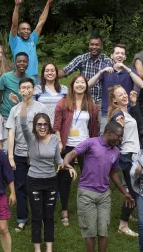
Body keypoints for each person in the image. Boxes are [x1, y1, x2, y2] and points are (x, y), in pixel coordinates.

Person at [61, 121, 135, 252]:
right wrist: (67, 163)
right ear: (109, 133)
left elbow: (113, 173)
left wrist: (125, 192)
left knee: (103, 231)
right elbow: (72, 153)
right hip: (86, 194)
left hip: (104, 195)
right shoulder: (91, 142)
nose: (120, 139)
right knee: (90, 232)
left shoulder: (116, 152)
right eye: (119, 135)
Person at [20, 89, 63, 252]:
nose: (42, 127)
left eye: (45, 124)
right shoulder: (31, 138)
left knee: (49, 216)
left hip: (51, 181)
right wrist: (24, 102)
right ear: (35, 126)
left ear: (49, 126)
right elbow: (23, 122)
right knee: (37, 216)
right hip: (34, 181)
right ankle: (37, 248)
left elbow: (58, 159)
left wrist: (67, 164)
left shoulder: (53, 139)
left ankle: (49, 248)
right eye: (39, 124)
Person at [53, 75, 99, 226]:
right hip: (67, 146)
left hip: (85, 146)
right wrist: (59, 142)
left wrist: (94, 145)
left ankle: (87, 209)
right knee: (65, 179)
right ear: (72, 85)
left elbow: (94, 128)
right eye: (77, 82)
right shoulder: (63, 102)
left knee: (88, 178)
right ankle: (64, 210)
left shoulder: (91, 104)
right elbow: (57, 126)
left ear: (86, 85)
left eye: (82, 83)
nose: (80, 85)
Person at [6, 78, 49, 232]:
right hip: (19, 154)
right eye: (23, 87)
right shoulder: (15, 110)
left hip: (37, 155)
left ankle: (41, 218)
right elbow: (11, 133)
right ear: (19, 90)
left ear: (34, 90)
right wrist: (10, 156)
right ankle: (22, 218)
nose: (26, 90)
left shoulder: (41, 107)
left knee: (39, 187)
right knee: (21, 187)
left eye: (29, 87)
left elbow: (45, 132)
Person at [88, 44, 143, 133]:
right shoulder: (106, 70)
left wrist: (127, 69)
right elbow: (88, 85)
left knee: (124, 139)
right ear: (112, 55)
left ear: (125, 57)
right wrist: (101, 72)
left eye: (122, 53)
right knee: (105, 139)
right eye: (117, 53)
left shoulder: (130, 70)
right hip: (107, 113)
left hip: (126, 112)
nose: (120, 55)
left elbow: (141, 85)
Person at [107, 86, 141, 237]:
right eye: (119, 95)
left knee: (133, 188)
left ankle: (129, 214)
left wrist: (133, 104)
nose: (124, 96)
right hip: (127, 155)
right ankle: (123, 224)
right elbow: (115, 135)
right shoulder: (119, 115)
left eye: (124, 93)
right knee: (133, 190)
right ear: (114, 99)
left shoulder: (125, 112)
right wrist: (119, 154)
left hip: (133, 154)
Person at [58, 35, 114, 115]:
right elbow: (66, 70)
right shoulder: (82, 58)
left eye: (97, 45)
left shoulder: (107, 61)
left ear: (101, 46)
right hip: (83, 98)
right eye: (92, 44)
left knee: (98, 125)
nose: (94, 47)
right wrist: (51, 77)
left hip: (100, 100)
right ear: (89, 45)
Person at [9, 0, 55, 80]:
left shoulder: (32, 39)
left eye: (28, 29)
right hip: (19, 77)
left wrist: (48, 3)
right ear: (18, 31)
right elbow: (14, 24)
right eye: (23, 29)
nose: (26, 31)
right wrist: (17, 6)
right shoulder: (14, 40)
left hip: (34, 77)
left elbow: (41, 21)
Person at [0, 52, 34, 121]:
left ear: (28, 63)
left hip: (24, 115)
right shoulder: (5, 77)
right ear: (15, 63)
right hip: (7, 116)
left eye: (24, 62)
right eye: (19, 61)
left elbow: (32, 99)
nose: (22, 64)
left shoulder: (31, 80)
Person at [33, 62, 68, 126]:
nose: (50, 73)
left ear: (56, 73)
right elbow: (32, 108)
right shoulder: (37, 89)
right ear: (43, 74)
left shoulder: (64, 89)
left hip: (61, 125)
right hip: (43, 126)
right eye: (47, 71)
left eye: (52, 71)